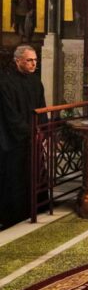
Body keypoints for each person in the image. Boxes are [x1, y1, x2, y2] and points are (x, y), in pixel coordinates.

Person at [0, 45, 46, 230]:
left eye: (35, 60)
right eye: (29, 60)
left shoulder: (36, 81)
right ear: (17, 61)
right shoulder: (5, 82)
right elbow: (9, 114)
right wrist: (28, 132)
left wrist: (42, 129)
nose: (33, 64)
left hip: (33, 136)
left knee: (34, 171)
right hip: (13, 139)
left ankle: (36, 207)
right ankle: (13, 214)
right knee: (15, 175)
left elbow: (42, 108)